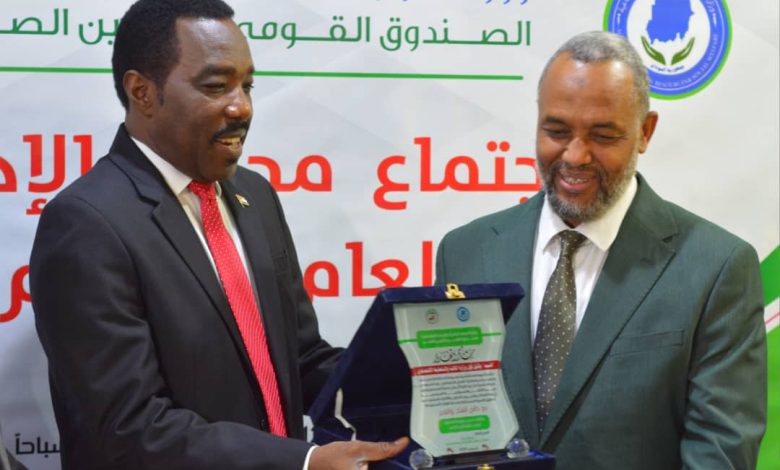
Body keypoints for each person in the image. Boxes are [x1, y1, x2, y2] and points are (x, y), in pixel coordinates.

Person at [29, 0, 407, 468]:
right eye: (215, 86)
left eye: (247, 86)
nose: (241, 106)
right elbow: (126, 427)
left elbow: (301, 360)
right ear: (142, 91)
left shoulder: (255, 196)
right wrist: (303, 463)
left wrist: (425, 381)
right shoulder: (87, 223)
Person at [435, 31, 766, 469]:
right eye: (556, 131)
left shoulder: (716, 268)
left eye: (603, 135)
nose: (575, 156)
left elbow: (720, 455)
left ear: (645, 131)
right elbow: (449, 428)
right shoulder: (464, 253)